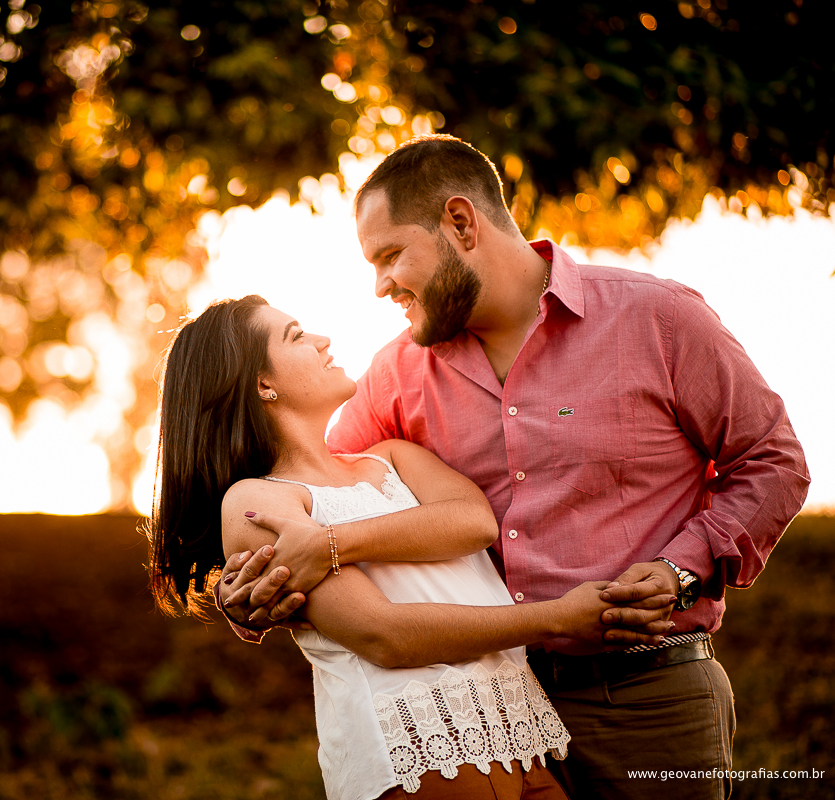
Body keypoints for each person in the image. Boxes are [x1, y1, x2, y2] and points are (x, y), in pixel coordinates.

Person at [218, 135, 810, 799]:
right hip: (487, 719)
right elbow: (312, 488)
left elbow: (773, 460)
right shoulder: (395, 376)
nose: (381, 285)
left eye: (390, 256)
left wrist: (681, 570)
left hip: (649, 698)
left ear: (461, 222)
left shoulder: (659, 318)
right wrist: (245, 590)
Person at [146, 295, 676, 800]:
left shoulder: (392, 458)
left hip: (518, 737)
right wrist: (558, 618)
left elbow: (475, 522)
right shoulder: (258, 501)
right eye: (296, 336)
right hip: (419, 749)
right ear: (263, 383)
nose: (322, 339)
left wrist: (331, 544)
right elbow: (385, 636)